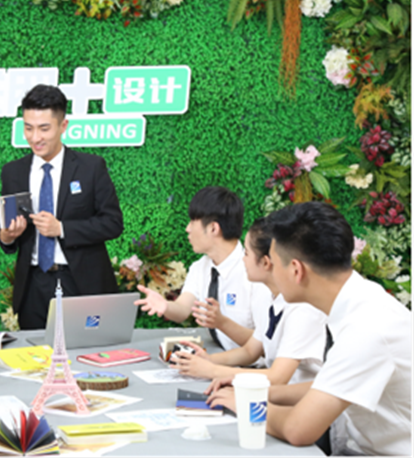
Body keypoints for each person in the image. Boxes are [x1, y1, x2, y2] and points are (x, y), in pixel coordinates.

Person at [208, 202, 411, 456]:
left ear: (296, 270)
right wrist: (262, 391)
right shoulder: (361, 299)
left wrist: (246, 403)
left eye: (275, 264)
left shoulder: (367, 329)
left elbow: (298, 429)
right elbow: (332, 383)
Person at [0, 84, 123, 330]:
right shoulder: (13, 172)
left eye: (44, 128)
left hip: (80, 283)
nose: (35, 137)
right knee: (35, 351)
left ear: (63, 126)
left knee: (87, 348)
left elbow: (112, 223)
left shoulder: (90, 168)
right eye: (28, 128)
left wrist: (62, 229)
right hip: (33, 286)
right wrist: (7, 236)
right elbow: (6, 232)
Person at [172, 217, 326, 386]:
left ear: (266, 262)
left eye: (246, 253)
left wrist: (212, 370)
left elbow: (277, 377)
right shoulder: (272, 298)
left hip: (299, 397)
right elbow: (250, 351)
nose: (242, 260)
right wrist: (208, 359)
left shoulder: (302, 309)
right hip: (276, 392)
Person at [135, 186, 272, 351]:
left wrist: (221, 323)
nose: (187, 229)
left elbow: (267, 344)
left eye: (193, 222)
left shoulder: (255, 273)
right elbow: (183, 309)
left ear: (214, 228)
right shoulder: (200, 267)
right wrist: (165, 306)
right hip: (218, 356)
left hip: (250, 365)